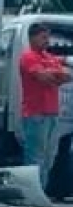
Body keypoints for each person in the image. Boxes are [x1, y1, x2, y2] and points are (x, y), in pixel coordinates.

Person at [19, 22, 71, 189]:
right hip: (36, 113)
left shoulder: (48, 57)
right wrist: (56, 75)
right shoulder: (28, 57)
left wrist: (55, 75)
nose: (47, 41)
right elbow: (43, 77)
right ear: (33, 38)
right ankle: (33, 190)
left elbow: (67, 76)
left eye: (47, 37)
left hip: (52, 113)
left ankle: (43, 190)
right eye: (43, 37)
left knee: (49, 156)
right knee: (35, 156)